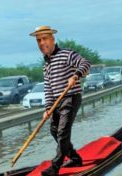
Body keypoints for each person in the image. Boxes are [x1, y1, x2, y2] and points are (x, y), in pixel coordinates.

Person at [29, 26, 91, 176]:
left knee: (63, 132)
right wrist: (48, 108)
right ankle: (75, 158)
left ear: (52, 39)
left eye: (44, 39)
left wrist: (76, 75)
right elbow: (49, 89)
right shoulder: (46, 66)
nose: (42, 43)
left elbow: (86, 63)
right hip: (57, 101)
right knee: (54, 131)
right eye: (39, 40)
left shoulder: (67, 54)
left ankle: (55, 167)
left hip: (71, 97)